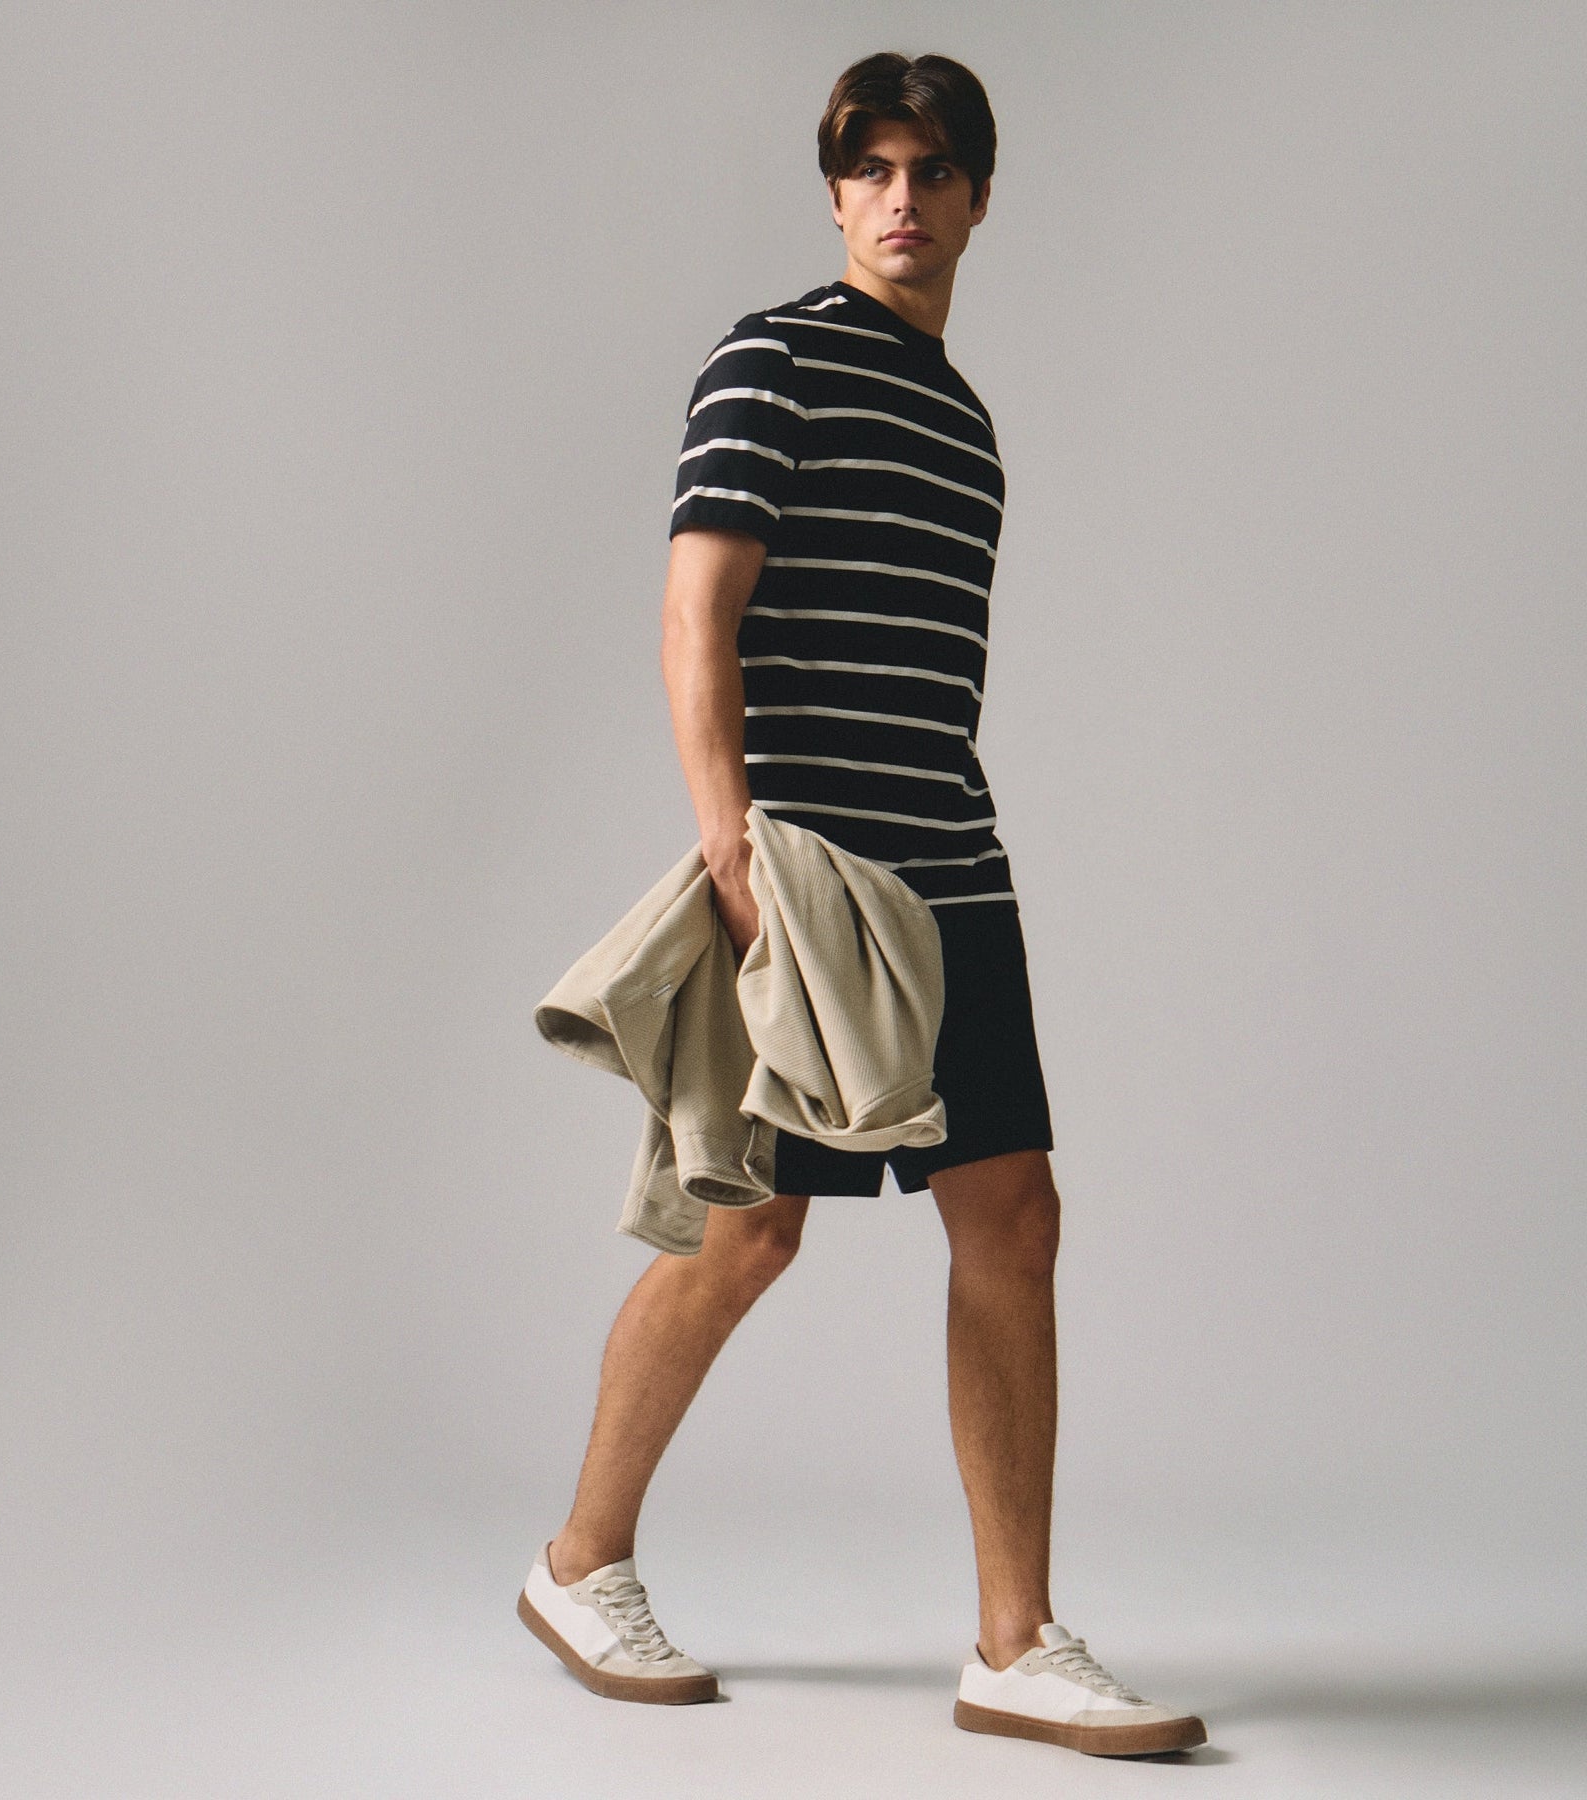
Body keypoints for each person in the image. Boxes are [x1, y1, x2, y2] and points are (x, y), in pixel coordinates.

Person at [517, 51, 1208, 1758]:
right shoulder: (773, 360)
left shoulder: (965, 426)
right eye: (875, 168)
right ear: (836, 192)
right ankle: (579, 1562)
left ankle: (1012, 1643)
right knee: (750, 1228)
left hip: (952, 867)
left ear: (980, 197)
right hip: (810, 877)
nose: (904, 198)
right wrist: (733, 849)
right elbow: (698, 612)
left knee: (1016, 1220)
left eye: (934, 170)